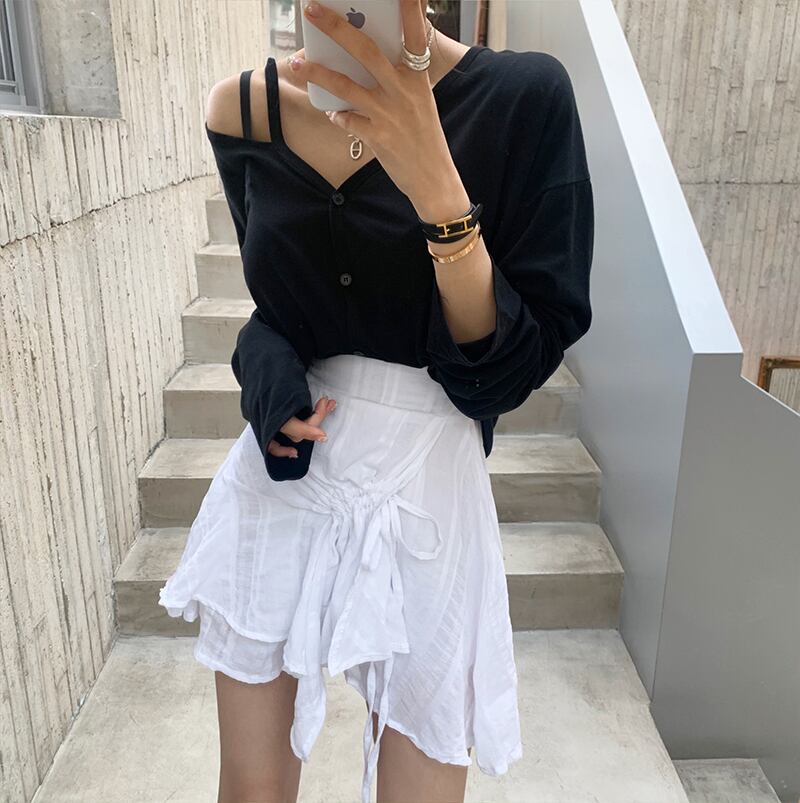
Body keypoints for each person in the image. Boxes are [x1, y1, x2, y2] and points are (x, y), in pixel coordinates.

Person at [159, 1, 594, 801]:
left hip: (428, 486)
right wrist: (270, 384)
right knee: (249, 791)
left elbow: (510, 371)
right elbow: (277, 311)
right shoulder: (244, 108)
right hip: (288, 476)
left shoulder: (525, 98)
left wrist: (437, 186)